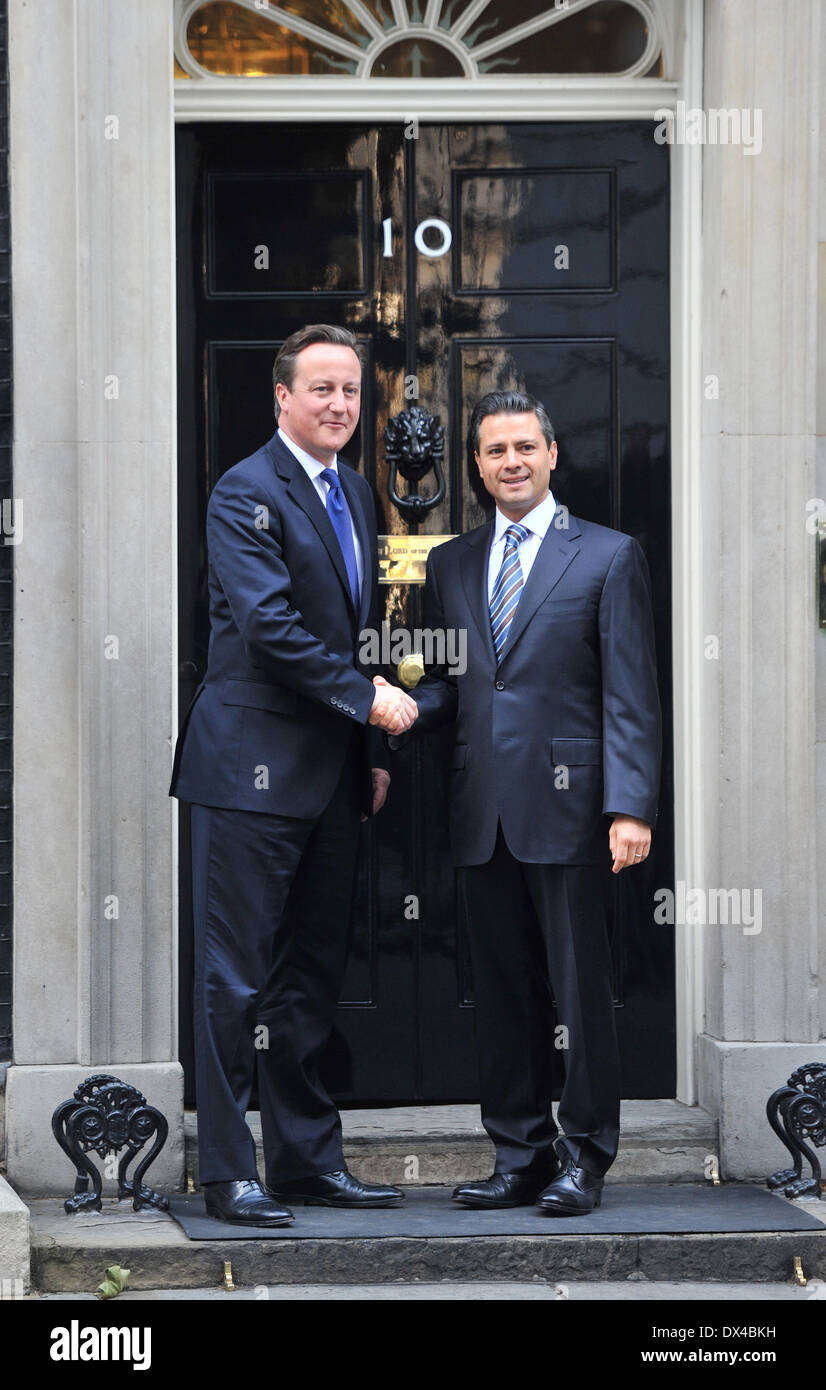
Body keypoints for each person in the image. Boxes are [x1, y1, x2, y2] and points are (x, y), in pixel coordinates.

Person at [169, 324, 417, 1226]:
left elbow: (356, 633)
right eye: (321, 390)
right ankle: (229, 1173)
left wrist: (370, 751)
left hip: (331, 776)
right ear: (283, 397)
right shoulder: (245, 490)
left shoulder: (354, 490)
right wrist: (370, 703)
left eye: (351, 391)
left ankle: (308, 1162)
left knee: (309, 978)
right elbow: (270, 631)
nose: (339, 405)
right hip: (249, 772)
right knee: (233, 981)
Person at [400, 390, 661, 1215]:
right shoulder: (449, 564)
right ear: (474, 465)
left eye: (523, 447)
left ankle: (586, 1155)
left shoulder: (609, 557)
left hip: (574, 811)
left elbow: (631, 695)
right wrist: (400, 709)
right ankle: (520, 1152)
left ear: (552, 454)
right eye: (493, 451)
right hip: (483, 812)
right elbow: (450, 687)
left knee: (581, 992)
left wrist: (632, 806)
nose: (509, 461)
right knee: (504, 994)